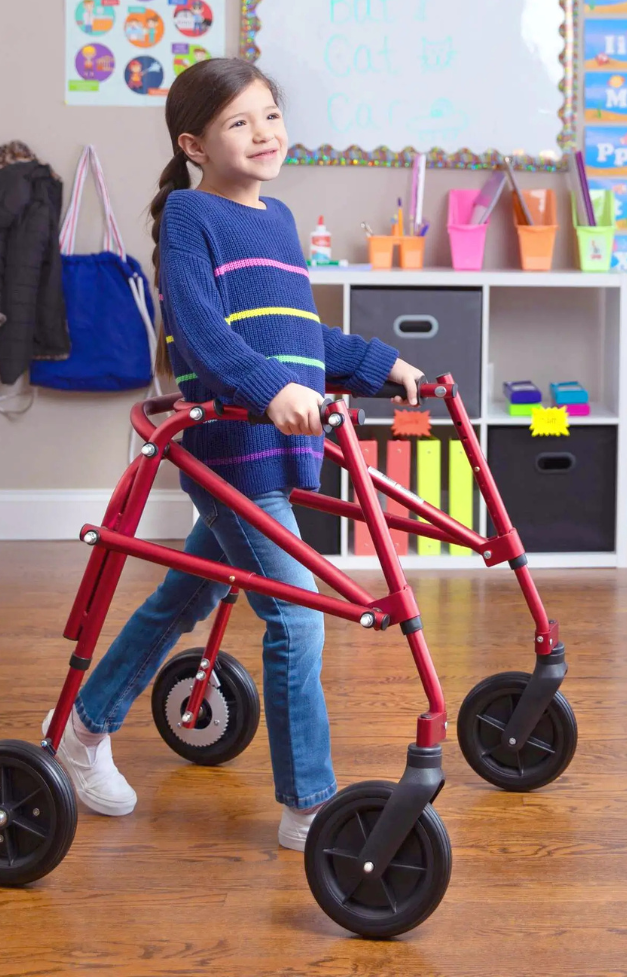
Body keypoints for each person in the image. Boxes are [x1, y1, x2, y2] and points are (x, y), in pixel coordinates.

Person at [43, 57, 422, 852]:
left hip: (276, 447)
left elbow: (298, 334)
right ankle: (310, 805)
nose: (264, 133)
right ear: (195, 143)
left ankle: (81, 731)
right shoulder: (191, 214)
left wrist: (378, 363)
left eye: (271, 116)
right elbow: (203, 332)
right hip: (230, 449)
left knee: (185, 597)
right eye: (239, 123)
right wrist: (266, 390)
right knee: (296, 617)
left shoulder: (279, 220)